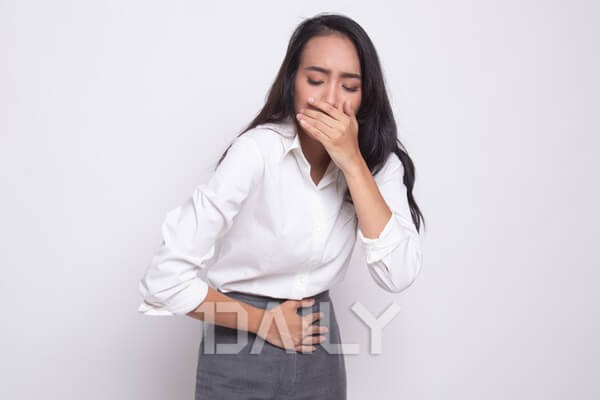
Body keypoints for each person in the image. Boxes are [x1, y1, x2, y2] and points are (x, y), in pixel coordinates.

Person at [137, 12, 425, 400]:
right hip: (237, 341)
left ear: (365, 96)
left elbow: (398, 274)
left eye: (349, 86)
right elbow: (164, 279)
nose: (331, 99)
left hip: (319, 344)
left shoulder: (379, 165)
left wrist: (353, 164)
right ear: (292, 84)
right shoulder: (256, 151)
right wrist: (263, 322)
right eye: (316, 80)